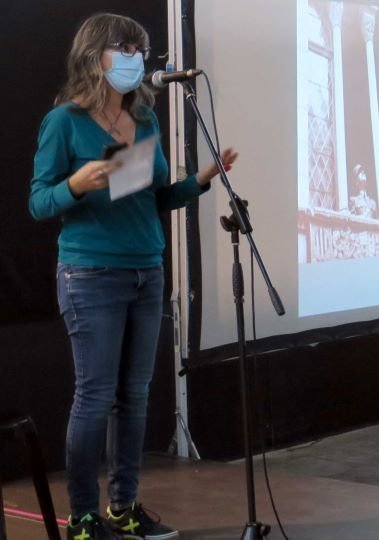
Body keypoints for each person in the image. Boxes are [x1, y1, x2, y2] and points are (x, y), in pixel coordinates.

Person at [28, 13, 237, 540]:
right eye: (124, 48)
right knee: (94, 397)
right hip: (91, 274)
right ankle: (82, 518)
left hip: (147, 271)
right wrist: (74, 184)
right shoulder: (65, 122)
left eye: (140, 49)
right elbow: (38, 203)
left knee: (136, 397)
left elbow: (155, 197)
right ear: (94, 54)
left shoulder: (144, 120)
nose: (135, 58)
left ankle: (124, 507)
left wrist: (201, 182)